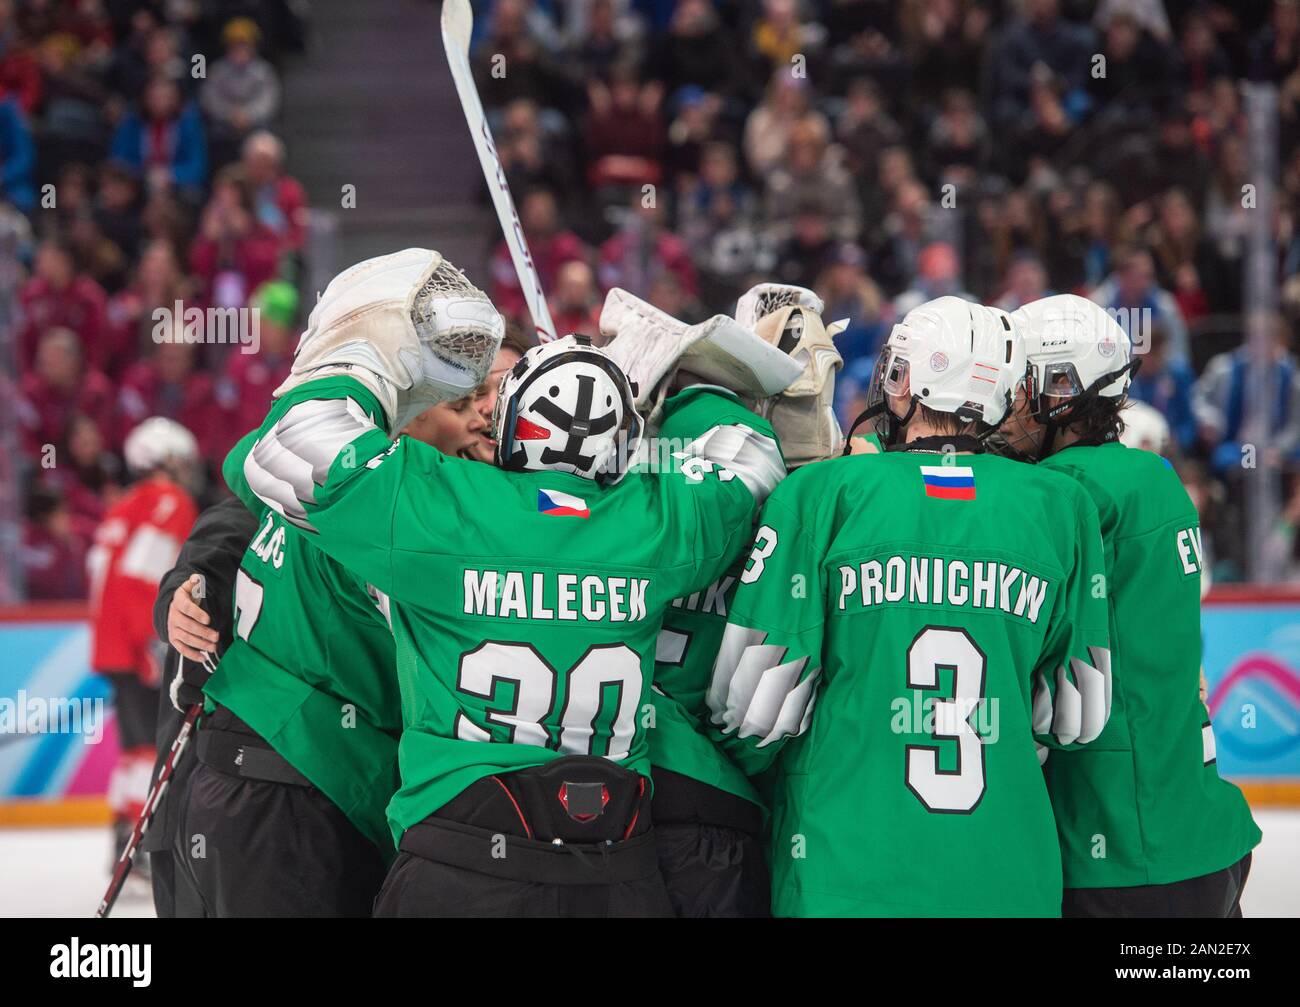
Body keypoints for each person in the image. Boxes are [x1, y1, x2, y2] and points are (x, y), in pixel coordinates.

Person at [224, 248, 789, 917]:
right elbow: (751, 459)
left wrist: (373, 354)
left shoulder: (446, 504)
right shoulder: (652, 519)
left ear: (512, 424)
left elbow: (285, 451)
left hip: (462, 858)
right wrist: (672, 389)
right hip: (614, 864)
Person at [707, 296, 1113, 917]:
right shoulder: (1063, 506)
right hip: (1008, 877)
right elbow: (1075, 714)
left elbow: (753, 707)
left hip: (848, 873)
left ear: (902, 381)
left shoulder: (820, 494)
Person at [1001, 294, 1260, 917]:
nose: (1002, 408)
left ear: (1058, 390)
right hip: (1199, 834)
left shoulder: (1064, 491)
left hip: (1119, 854)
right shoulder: (1154, 476)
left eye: (1016, 385)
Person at [650, 283, 842, 917]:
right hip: (712, 785)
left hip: (621, 760)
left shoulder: (635, 442)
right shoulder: (794, 478)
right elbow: (761, 705)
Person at [87, 417, 200, 877]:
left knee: (135, 746)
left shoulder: (123, 506)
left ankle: (124, 838)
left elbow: (105, 575)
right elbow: (141, 580)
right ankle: (140, 847)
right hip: (137, 645)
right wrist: (153, 644)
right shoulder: (169, 502)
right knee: (149, 749)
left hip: (110, 645)